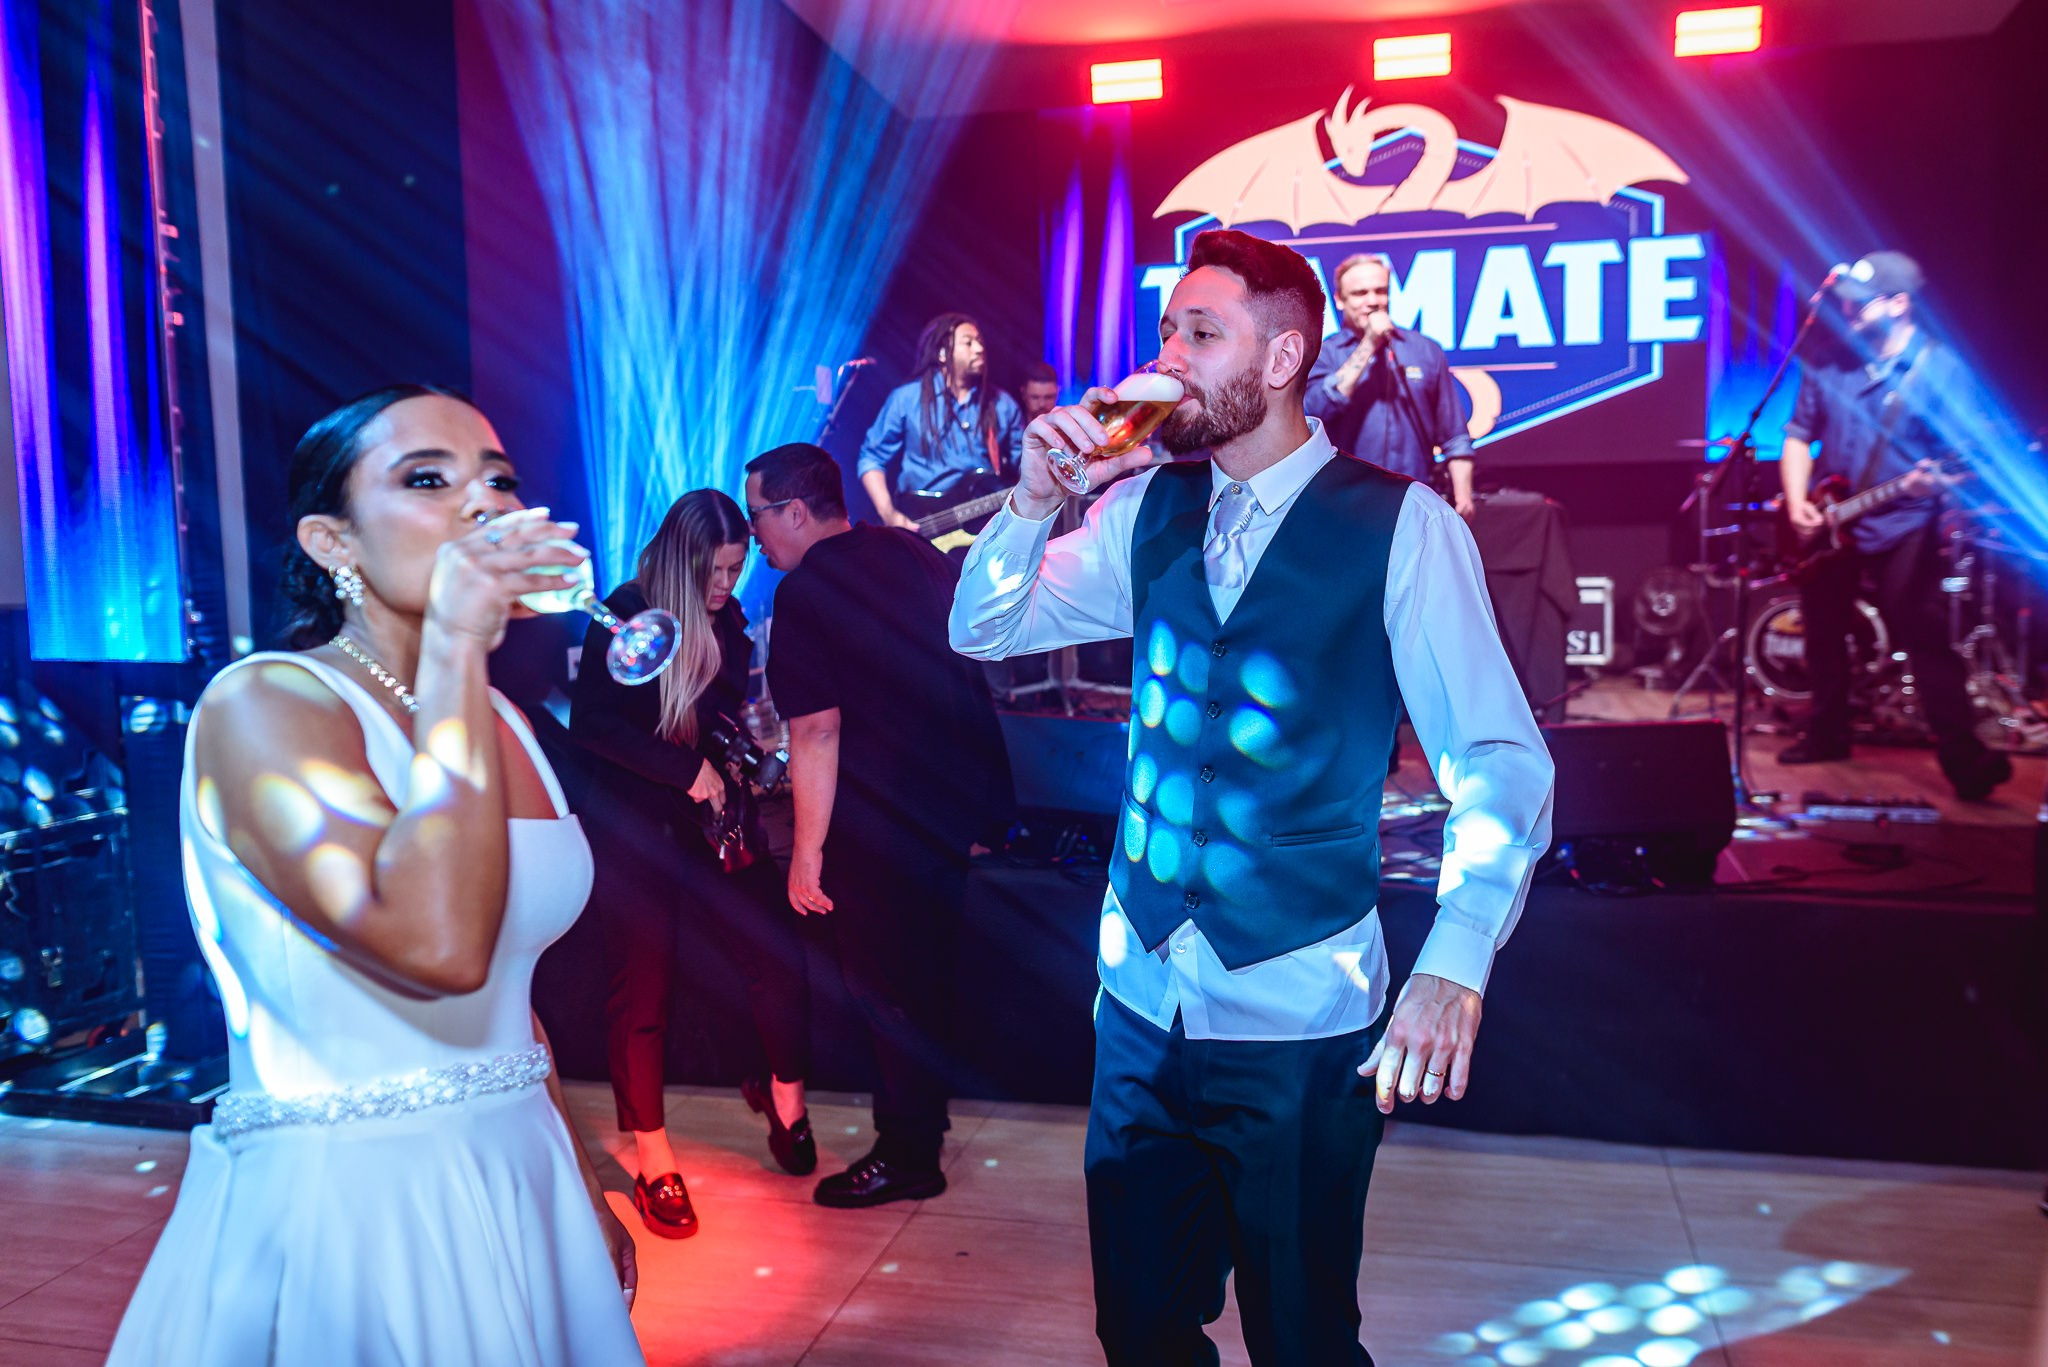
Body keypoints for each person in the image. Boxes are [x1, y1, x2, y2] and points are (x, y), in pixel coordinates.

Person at [951, 230, 1554, 1365]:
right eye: (1167, 328)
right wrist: (1030, 501)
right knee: (1137, 1327)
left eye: (1198, 332)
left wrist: (1455, 957)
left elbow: (1499, 756)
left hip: (1300, 1011)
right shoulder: (1145, 511)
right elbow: (980, 627)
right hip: (1138, 1000)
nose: (1166, 356)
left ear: (1280, 358)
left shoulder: (1401, 525)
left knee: (1301, 1334)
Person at [107, 385, 643, 1365]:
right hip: (356, 1201)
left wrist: (579, 1166)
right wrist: (453, 646)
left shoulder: (502, 723)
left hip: (517, 1164)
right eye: (428, 479)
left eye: (498, 480)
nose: (484, 505)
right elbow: (434, 943)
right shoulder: (265, 702)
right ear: (332, 542)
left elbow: (501, 988)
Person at [745, 441, 1014, 1208]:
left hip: (878, 825)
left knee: (885, 991)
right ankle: (920, 1129)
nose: (756, 533)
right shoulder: (911, 550)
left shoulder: (804, 593)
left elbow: (817, 733)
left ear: (795, 511)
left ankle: (908, 1153)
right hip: (946, 810)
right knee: (925, 979)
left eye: (760, 514)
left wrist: (806, 853)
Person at [570, 489, 816, 1240]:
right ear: (682, 560)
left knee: (773, 956)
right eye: (714, 571)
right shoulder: (627, 610)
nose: (726, 585)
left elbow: (715, 713)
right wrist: (685, 773)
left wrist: (739, 752)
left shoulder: (732, 621)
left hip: (715, 818)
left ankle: (786, 1096)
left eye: (737, 569)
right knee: (641, 986)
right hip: (636, 826)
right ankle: (652, 1158)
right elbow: (595, 725)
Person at [1775, 250, 2012, 800]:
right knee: (1822, 634)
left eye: (1860, 301)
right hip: (1832, 520)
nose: (1847, 310)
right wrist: (1795, 504)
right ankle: (1827, 734)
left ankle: (1965, 760)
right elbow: (1796, 433)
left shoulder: (1940, 370)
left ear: (1900, 304)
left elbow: (1967, 458)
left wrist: (1940, 484)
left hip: (1905, 522)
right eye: (1845, 300)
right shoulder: (1828, 360)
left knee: (1924, 637)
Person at [1305, 253, 1477, 517]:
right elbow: (1318, 410)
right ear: (1340, 300)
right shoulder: (1323, 354)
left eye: (1380, 291)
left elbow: (1455, 437)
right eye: (1360, 293)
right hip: (1344, 503)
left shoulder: (1425, 351)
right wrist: (1370, 344)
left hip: (1414, 502)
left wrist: (1464, 497)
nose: (1372, 301)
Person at [857, 312, 1025, 534]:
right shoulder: (908, 398)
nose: (979, 348)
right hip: (919, 520)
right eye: (968, 342)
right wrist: (889, 514)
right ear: (943, 353)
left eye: (980, 342)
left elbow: (1025, 465)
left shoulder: (1002, 405)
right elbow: (872, 458)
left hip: (980, 528)